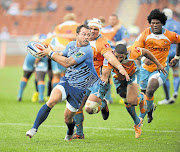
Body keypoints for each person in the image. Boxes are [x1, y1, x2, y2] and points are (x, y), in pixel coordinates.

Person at [26, 24, 103, 140]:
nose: (87, 37)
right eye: (84, 34)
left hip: (79, 88)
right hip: (66, 81)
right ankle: (34, 128)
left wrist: (50, 53)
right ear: (77, 35)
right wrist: (46, 52)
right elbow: (61, 55)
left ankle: (70, 131)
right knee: (51, 101)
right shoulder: (71, 45)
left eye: (89, 35)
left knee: (68, 119)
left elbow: (67, 62)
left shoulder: (86, 50)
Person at [71, 18, 130, 140]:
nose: (92, 31)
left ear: (99, 30)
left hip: (98, 81)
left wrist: (109, 73)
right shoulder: (82, 41)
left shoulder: (102, 43)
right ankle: (79, 134)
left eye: (95, 29)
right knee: (78, 106)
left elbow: (108, 57)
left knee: (89, 109)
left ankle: (103, 104)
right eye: (90, 28)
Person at [133, 9, 180, 123]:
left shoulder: (169, 35)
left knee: (150, 90)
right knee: (144, 96)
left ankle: (140, 120)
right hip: (145, 69)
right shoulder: (145, 33)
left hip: (161, 69)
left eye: (157, 23)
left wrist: (177, 57)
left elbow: (179, 41)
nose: (154, 25)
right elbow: (135, 49)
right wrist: (144, 58)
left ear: (162, 23)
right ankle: (150, 109)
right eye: (152, 23)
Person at [111, 44, 166, 138]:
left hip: (133, 75)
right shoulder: (109, 55)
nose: (118, 59)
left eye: (121, 57)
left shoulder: (133, 51)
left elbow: (146, 52)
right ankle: (138, 122)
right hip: (118, 78)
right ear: (113, 53)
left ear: (126, 54)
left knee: (132, 101)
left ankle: (142, 98)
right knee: (125, 98)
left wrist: (158, 64)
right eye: (116, 57)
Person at [158, 8, 180, 105]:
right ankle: (175, 92)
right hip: (176, 53)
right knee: (176, 74)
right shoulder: (178, 24)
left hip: (165, 54)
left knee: (165, 76)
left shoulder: (162, 25)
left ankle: (167, 98)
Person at [17, 34, 48, 103]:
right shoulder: (47, 39)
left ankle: (19, 95)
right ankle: (41, 98)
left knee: (25, 76)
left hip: (30, 56)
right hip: (41, 57)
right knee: (41, 79)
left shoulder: (35, 37)